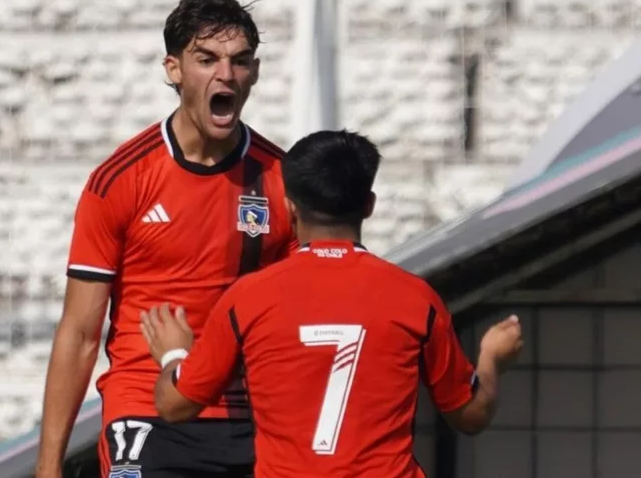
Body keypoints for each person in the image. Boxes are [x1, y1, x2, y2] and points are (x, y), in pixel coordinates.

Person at [139, 130, 524, 478]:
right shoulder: (415, 298)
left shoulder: (248, 298)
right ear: (369, 205)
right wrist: (491, 357)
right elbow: (470, 414)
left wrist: (174, 353)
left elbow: (175, 406)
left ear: (289, 207)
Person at [35, 0, 299, 478]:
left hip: (249, 416)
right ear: (173, 69)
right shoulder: (121, 180)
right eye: (207, 59)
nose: (226, 74)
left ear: (255, 73)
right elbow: (80, 333)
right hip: (144, 409)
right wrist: (48, 467)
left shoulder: (282, 178)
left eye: (240, 61)